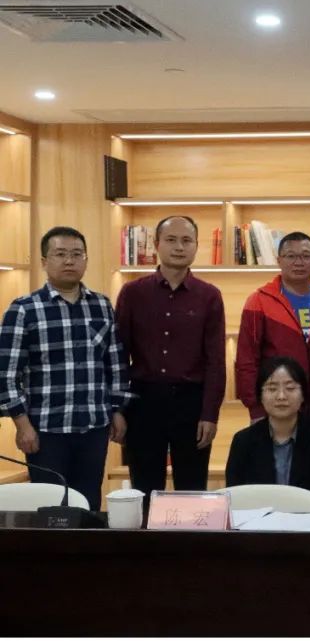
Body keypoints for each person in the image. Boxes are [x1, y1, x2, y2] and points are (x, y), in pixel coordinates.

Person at [0, 227, 132, 510]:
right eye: (60, 254)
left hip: (94, 427)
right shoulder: (23, 309)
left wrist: (118, 410)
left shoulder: (101, 306)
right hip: (45, 430)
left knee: (88, 504)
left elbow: (116, 365)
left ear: (86, 260)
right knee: (50, 507)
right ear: (44, 262)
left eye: (76, 254)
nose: (69, 261)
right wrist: (22, 425)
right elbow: (6, 375)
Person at [115, 216, 226, 495]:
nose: (179, 247)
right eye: (171, 240)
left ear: (196, 246)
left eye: (187, 240)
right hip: (143, 402)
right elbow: (118, 356)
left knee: (192, 488)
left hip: (191, 403)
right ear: (156, 245)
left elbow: (215, 361)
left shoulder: (209, 296)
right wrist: (117, 409)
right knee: (144, 488)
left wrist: (210, 414)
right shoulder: (132, 293)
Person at [236, 231, 310, 421]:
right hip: (274, 408)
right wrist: (256, 408)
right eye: (291, 256)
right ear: (279, 261)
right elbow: (246, 360)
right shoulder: (259, 301)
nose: (299, 262)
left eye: (306, 256)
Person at [225, 356, 310, 507]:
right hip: (257, 521)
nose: (281, 396)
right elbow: (235, 497)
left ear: (303, 395)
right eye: (272, 389)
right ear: (261, 396)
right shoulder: (243, 441)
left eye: (290, 388)